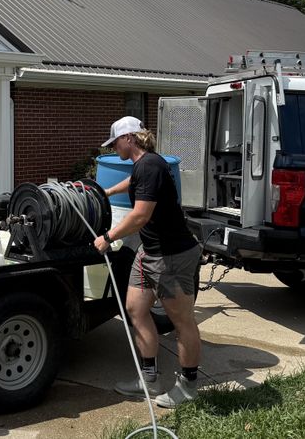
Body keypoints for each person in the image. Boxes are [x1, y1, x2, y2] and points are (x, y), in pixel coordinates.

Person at [93, 115, 202, 408]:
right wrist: (107, 191)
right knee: (135, 309)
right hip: (149, 252)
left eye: (115, 142)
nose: (114, 148)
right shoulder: (145, 164)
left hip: (172, 256)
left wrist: (108, 237)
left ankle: (188, 387)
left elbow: (140, 215)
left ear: (128, 138)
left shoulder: (150, 165)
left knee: (182, 321)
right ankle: (149, 380)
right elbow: (134, 182)